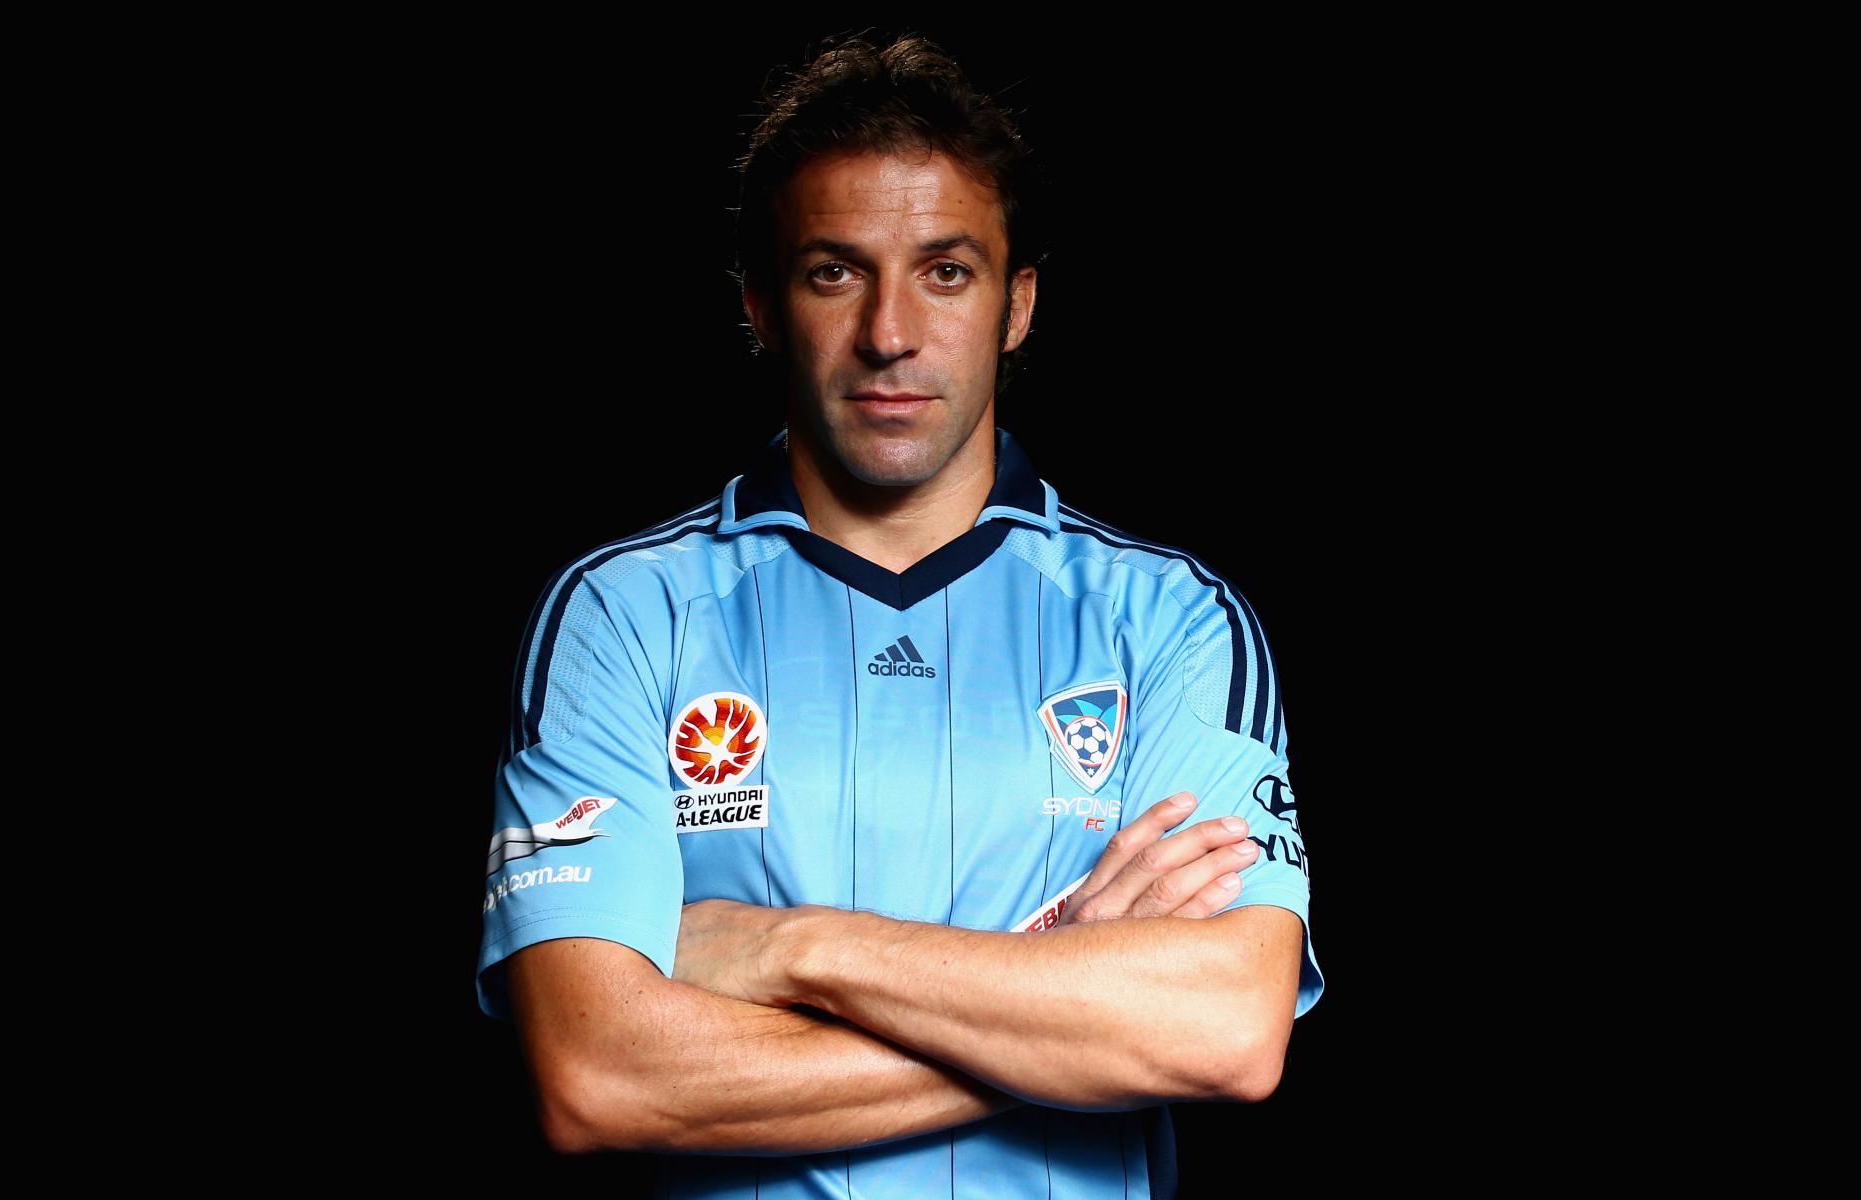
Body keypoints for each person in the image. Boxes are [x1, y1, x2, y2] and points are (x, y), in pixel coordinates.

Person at [475, 31, 1322, 1198]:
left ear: (1018, 304)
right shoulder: (624, 616)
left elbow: (1224, 1029)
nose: (888, 332)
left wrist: (789, 949)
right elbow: (599, 1075)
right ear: (761, 304)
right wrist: (1068, 1010)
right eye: (835, 272)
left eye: (946, 272)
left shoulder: (1172, 622)